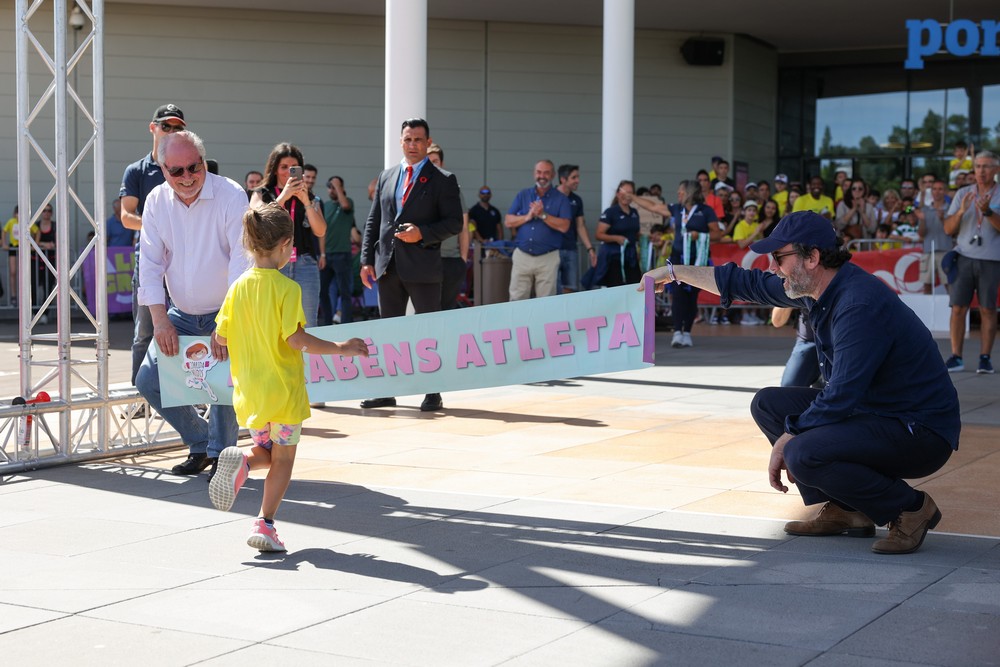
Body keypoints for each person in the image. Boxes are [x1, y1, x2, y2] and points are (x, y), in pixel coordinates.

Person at [641, 211, 960, 555]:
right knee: (768, 405)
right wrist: (674, 273)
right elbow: (742, 282)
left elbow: (841, 395)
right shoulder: (814, 287)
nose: (773, 266)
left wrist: (789, 438)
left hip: (919, 430)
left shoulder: (858, 304)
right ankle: (848, 508)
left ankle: (910, 508)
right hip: (876, 410)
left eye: (779, 257)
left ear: (812, 257)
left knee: (801, 451)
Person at [209, 203, 369, 552]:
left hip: (250, 392)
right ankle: (265, 524)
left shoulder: (238, 287)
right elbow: (296, 340)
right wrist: (341, 347)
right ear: (284, 245)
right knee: (284, 459)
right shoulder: (287, 289)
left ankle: (244, 463)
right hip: (283, 391)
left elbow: (220, 337)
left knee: (266, 451)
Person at [134, 130, 251, 476]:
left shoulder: (231, 194)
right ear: (163, 170)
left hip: (224, 311)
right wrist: (160, 320)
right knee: (148, 381)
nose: (187, 177)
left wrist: (226, 323)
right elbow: (150, 264)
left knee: (222, 389)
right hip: (179, 315)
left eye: (193, 167)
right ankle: (201, 443)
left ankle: (224, 459)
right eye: (177, 171)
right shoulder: (156, 201)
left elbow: (241, 263)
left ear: (203, 160)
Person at [359, 118, 463, 412]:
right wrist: (366, 260)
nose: (413, 145)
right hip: (388, 265)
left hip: (423, 266)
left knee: (428, 331)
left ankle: (432, 391)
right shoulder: (387, 176)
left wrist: (423, 234)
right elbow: (374, 220)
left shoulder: (443, 179)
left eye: (418, 140)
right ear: (401, 142)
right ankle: (386, 390)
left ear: (428, 143)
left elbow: (454, 222)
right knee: (389, 332)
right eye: (408, 139)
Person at [120, 103, 187, 388]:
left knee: (186, 330)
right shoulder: (137, 170)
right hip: (149, 261)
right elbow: (126, 217)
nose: (171, 132)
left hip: (184, 261)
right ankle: (139, 396)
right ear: (153, 128)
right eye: (166, 126)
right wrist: (160, 226)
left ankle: (187, 393)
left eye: (178, 128)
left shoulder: (188, 167)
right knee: (144, 332)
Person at [250, 144, 327, 328]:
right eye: (284, 167)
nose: (288, 172)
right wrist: (283, 197)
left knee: (307, 324)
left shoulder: (310, 196)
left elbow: (321, 231)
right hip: (272, 265)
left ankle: (306, 358)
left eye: (293, 167)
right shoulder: (262, 193)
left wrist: (306, 202)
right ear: (275, 169)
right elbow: (257, 221)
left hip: (304, 265)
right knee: (271, 324)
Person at [633, 180, 714, 348]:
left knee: (692, 296)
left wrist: (699, 235)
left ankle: (688, 332)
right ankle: (677, 332)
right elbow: (653, 207)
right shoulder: (677, 209)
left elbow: (717, 233)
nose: (678, 195)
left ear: (690, 193)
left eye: (681, 192)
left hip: (697, 259)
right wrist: (632, 196)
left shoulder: (706, 211)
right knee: (677, 294)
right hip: (678, 257)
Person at [942, 150, 1000, 374]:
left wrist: (987, 213)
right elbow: (948, 229)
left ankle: (985, 358)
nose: (981, 171)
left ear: (996, 170)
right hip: (964, 256)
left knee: (987, 309)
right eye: (977, 166)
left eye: (986, 166)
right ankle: (956, 356)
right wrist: (960, 213)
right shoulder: (963, 193)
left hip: (991, 259)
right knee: (957, 308)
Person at [504, 160, 572, 301]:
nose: (542, 176)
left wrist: (542, 215)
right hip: (522, 255)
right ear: (534, 174)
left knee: (546, 301)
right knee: (517, 298)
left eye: (546, 172)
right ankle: (519, 324)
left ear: (553, 175)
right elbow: (508, 221)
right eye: (539, 172)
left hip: (548, 257)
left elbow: (565, 226)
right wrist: (528, 216)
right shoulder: (523, 195)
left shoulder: (561, 199)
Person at [425, 143, 471, 310]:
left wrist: (463, 260)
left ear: (441, 163)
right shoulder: (416, 190)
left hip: (451, 260)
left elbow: (464, 228)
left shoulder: (454, 190)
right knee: (425, 310)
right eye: (428, 161)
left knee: (447, 309)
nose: (432, 164)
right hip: (426, 260)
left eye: (435, 161)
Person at [318, 175, 357, 326]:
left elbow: (346, 205)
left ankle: (346, 322)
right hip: (326, 255)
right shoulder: (325, 205)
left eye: (336, 186)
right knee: (323, 291)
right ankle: (328, 322)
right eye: (330, 186)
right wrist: (322, 254)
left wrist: (338, 187)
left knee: (345, 291)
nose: (333, 189)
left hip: (343, 254)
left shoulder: (348, 203)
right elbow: (321, 232)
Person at [586, 180, 640, 288]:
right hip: (614, 258)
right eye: (624, 192)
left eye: (630, 193)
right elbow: (599, 234)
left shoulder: (634, 212)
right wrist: (616, 238)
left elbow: (635, 233)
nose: (627, 196)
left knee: (634, 287)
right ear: (618, 193)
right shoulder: (610, 212)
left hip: (631, 257)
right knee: (616, 288)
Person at [555, 164, 596, 293]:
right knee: (550, 288)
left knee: (570, 288)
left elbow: (580, 226)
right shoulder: (550, 196)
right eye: (574, 177)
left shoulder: (576, 200)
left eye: (577, 177)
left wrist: (590, 249)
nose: (577, 180)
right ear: (563, 179)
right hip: (551, 250)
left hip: (571, 249)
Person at [916, 178, 954, 294]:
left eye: (940, 189)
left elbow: (952, 231)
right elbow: (921, 234)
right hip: (928, 251)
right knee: (927, 285)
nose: (937, 192)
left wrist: (943, 219)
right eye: (934, 189)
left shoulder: (952, 209)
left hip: (946, 250)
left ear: (945, 192)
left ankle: (953, 312)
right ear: (931, 192)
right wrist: (922, 220)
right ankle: (926, 312)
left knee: (949, 284)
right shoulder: (925, 210)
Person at [772, 307, 821, 388]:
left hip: (839, 340)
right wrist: (790, 296)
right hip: (809, 341)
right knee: (789, 389)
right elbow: (777, 321)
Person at [2, 206, 35, 305]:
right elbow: (4, 231)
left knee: (25, 273)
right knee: (13, 272)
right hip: (13, 247)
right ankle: (13, 295)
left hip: (23, 247)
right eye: (17, 213)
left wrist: (33, 244)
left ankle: (25, 295)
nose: (19, 215)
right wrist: (4, 243)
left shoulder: (27, 222)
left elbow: (36, 231)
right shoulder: (11, 222)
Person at [33, 204, 56, 324]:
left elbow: (59, 242)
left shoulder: (55, 226)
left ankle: (45, 313)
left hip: (50, 260)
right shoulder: (35, 226)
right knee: (33, 286)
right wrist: (43, 245)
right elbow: (31, 243)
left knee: (49, 287)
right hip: (35, 260)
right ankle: (34, 312)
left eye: (49, 211)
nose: (46, 213)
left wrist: (51, 246)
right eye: (44, 211)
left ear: (51, 213)